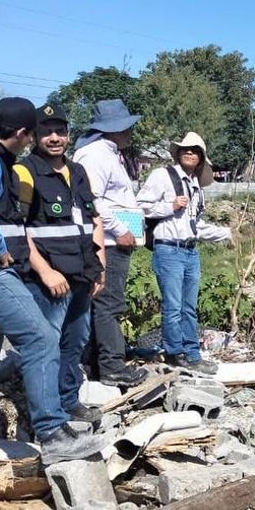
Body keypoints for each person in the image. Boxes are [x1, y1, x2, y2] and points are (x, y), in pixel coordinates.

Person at [0, 98, 103, 474]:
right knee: (41, 338)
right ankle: (52, 434)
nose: (33, 142)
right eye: (32, 135)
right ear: (20, 133)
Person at [16, 101, 106, 428]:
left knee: (75, 341)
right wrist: (44, 270)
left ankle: (68, 401)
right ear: (34, 136)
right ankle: (46, 415)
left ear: (69, 134)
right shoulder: (25, 172)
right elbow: (18, 230)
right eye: (46, 132)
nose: (54, 137)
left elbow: (94, 220)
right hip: (49, 279)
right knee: (46, 346)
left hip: (82, 273)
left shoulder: (77, 171)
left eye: (60, 131)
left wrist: (100, 266)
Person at [137, 132, 231, 375]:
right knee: (173, 306)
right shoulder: (162, 176)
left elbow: (194, 225)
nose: (190, 153)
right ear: (178, 153)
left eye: (195, 150)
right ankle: (175, 353)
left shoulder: (195, 185)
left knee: (189, 307)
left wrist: (226, 234)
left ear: (201, 158)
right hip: (168, 248)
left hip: (190, 251)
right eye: (186, 149)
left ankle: (192, 353)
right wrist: (169, 206)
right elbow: (139, 207)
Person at [73, 99, 148, 387]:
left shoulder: (105, 153)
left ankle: (95, 362)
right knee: (109, 303)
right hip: (108, 240)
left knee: (101, 302)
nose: (130, 131)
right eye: (127, 126)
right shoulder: (96, 156)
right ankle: (112, 366)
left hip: (111, 238)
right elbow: (92, 200)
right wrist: (119, 229)